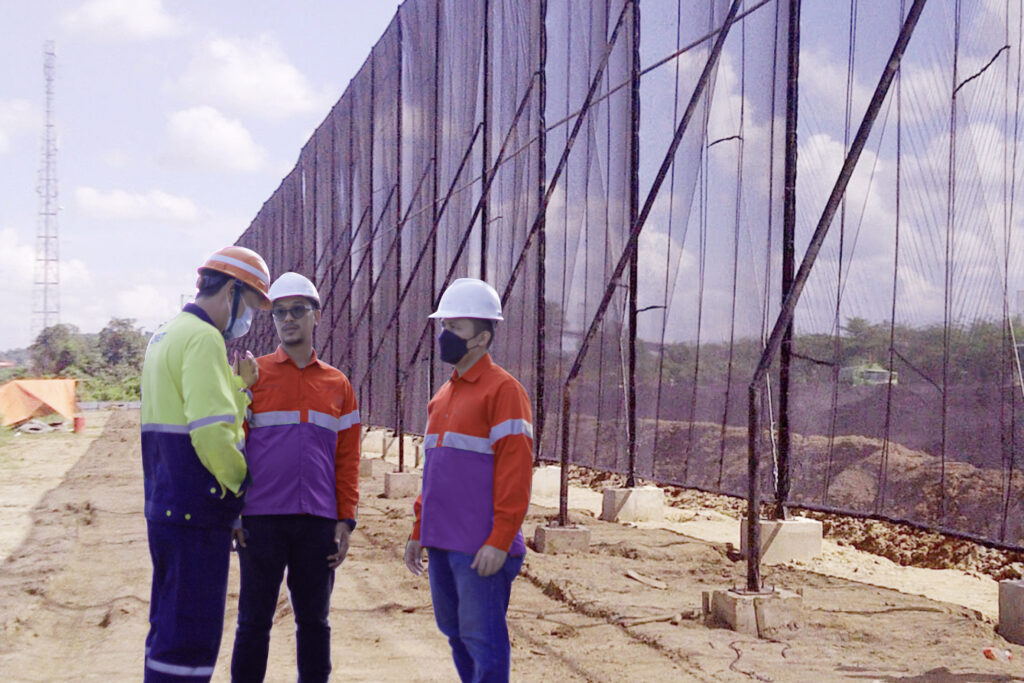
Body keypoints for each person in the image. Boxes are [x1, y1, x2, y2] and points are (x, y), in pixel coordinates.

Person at [141, 245, 271, 682]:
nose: (247, 319)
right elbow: (213, 435)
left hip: (166, 507)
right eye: (250, 305)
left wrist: (239, 388)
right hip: (197, 513)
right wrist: (241, 487)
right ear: (232, 290)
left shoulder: (165, 335)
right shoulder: (203, 338)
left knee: (167, 629)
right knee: (191, 641)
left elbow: (192, 409)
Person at [230, 272, 361, 683]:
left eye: (297, 311)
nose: (288, 319)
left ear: (316, 316)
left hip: (317, 522)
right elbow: (232, 440)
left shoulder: (337, 384)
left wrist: (345, 519)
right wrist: (234, 511)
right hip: (261, 521)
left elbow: (348, 458)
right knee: (253, 623)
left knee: (315, 624)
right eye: (279, 313)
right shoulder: (254, 375)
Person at [404, 277, 534, 683]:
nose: (445, 336)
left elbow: (516, 473)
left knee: (484, 641)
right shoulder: (442, 396)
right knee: (455, 634)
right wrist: (417, 530)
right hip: (442, 541)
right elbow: (434, 475)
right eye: (444, 327)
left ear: (481, 337)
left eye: (455, 329)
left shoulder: (504, 391)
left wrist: (499, 541)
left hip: (479, 547)